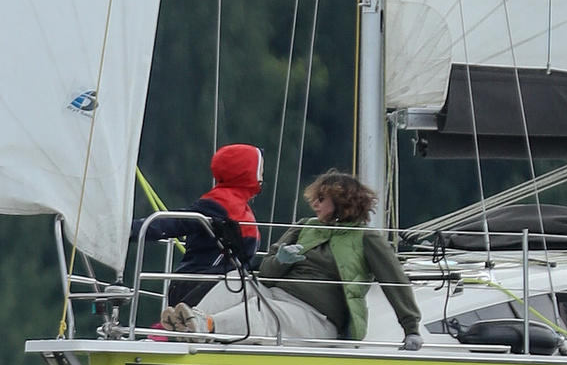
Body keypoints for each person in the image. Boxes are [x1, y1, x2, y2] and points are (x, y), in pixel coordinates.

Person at [257, 170, 423, 345]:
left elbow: (394, 280)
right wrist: (280, 261)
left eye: (321, 199)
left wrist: (411, 329)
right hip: (272, 296)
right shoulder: (304, 226)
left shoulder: (365, 237)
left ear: (341, 202)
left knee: (244, 320)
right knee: (231, 285)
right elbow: (265, 274)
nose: (314, 204)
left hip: (315, 313)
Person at [160, 143, 266, 305]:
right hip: (196, 287)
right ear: (246, 173)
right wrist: (133, 230)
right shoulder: (220, 203)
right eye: (259, 170)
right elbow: (178, 222)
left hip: (217, 285)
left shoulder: (237, 206)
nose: (262, 177)